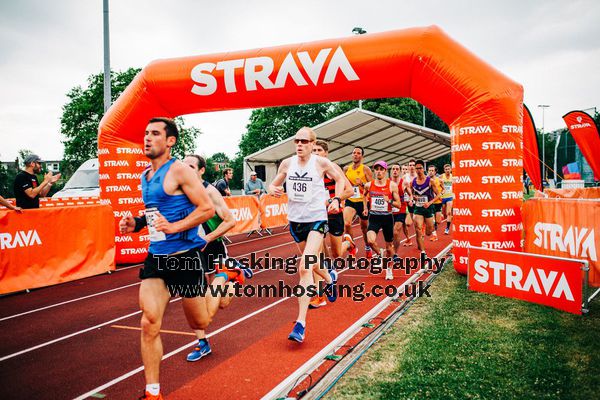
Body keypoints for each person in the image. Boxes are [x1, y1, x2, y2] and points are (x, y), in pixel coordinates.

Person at [119, 117, 223, 400]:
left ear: (170, 141)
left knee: (199, 322)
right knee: (149, 320)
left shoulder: (180, 171)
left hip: (186, 258)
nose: (148, 138)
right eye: (146, 133)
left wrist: (175, 227)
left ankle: (225, 281)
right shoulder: (146, 176)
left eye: (155, 133)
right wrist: (138, 223)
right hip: (157, 258)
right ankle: (153, 392)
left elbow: (207, 210)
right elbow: (156, 216)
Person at [269, 127, 345, 343]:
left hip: (317, 219)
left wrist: (336, 199)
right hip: (296, 221)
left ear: (313, 144)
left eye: (304, 141)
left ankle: (300, 324)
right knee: (312, 264)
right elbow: (273, 184)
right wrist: (271, 189)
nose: (300, 145)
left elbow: (339, 180)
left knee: (304, 267)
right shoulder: (287, 163)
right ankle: (330, 278)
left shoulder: (321, 163)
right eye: (297, 141)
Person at [182, 154, 252, 362]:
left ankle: (233, 274)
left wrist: (208, 237)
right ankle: (202, 342)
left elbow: (230, 221)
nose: (186, 170)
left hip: (212, 247)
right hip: (190, 251)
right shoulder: (178, 190)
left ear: (201, 170)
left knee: (221, 303)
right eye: (183, 166)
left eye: (191, 166)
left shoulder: (210, 192)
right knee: (193, 295)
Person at [310, 140, 355, 309]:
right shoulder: (308, 170)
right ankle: (319, 295)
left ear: (326, 153)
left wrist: (331, 201)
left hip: (334, 213)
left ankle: (348, 243)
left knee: (336, 253)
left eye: (319, 150)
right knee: (317, 253)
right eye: (313, 150)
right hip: (316, 215)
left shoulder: (331, 167)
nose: (315, 153)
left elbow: (349, 191)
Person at [362, 161, 402, 280]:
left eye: (381, 169)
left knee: (390, 247)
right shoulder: (369, 185)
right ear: (374, 171)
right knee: (370, 240)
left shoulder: (392, 185)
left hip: (387, 218)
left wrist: (388, 201)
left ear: (385, 171)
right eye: (376, 169)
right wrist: (365, 207)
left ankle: (389, 269)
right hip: (374, 217)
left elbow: (399, 205)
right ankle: (380, 253)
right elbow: (364, 195)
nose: (379, 171)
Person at [343, 146, 373, 258]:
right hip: (350, 200)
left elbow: (373, 187)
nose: (355, 154)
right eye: (354, 153)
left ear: (362, 156)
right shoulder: (346, 169)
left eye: (358, 153)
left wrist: (362, 184)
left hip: (363, 201)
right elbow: (342, 183)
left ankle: (367, 246)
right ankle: (352, 247)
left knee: (364, 228)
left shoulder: (366, 169)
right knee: (347, 223)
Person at [411, 160, 441, 256]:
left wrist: (430, 202)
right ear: (415, 169)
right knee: (418, 229)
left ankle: (429, 230)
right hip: (418, 209)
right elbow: (412, 193)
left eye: (420, 168)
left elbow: (438, 195)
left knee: (429, 231)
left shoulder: (430, 181)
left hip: (428, 208)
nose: (418, 170)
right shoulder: (414, 182)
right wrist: (414, 197)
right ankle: (423, 252)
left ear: (423, 169)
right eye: (417, 168)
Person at [389, 163, 411, 256]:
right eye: (393, 169)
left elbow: (410, 194)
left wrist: (411, 199)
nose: (395, 171)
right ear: (391, 171)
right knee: (391, 233)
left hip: (401, 208)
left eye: (397, 169)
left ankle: (395, 253)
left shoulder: (404, 182)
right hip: (390, 209)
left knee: (396, 231)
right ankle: (392, 248)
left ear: (400, 171)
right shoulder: (387, 182)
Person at [427, 165, 444, 241]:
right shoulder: (427, 180)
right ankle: (434, 235)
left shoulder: (439, 180)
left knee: (438, 221)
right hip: (430, 203)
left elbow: (444, 189)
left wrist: (441, 195)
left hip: (438, 202)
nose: (430, 172)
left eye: (432, 170)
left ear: (435, 171)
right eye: (429, 170)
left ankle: (440, 217)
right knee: (432, 220)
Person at [440, 164, 454, 234]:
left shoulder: (453, 177)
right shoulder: (441, 176)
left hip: (450, 197)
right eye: (446, 169)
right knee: (444, 214)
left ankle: (447, 228)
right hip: (442, 197)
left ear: (451, 169)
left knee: (448, 213)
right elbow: (437, 185)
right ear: (444, 170)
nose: (447, 170)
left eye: (449, 169)